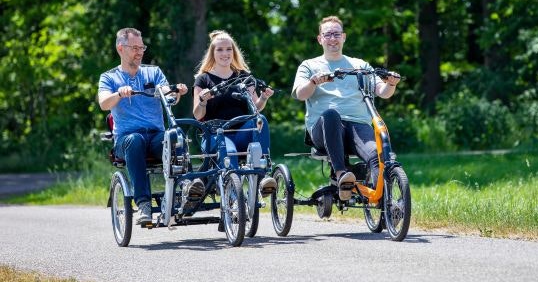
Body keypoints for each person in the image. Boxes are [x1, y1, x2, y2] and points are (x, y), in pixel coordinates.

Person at [291, 16, 401, 200]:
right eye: (328, 35)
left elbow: (382, 91)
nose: (332, 38)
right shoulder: (309, 65)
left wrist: (391, 84)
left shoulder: (360, 65)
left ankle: (385, 204)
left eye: (336, 34)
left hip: (358, 125)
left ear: (344, 37)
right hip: (324, 128)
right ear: (320, 39)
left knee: (377, 156)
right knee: (331, 114)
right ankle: (342, 175)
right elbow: (300, 94)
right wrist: (313, 82)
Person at [98, 28, 189, 225]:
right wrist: (119, 94)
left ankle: (179, 194)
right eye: (135, 48)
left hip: (155, 136)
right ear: (121, 48)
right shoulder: (109, 78)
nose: (140, 52)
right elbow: (104, 103)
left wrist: (175, 91)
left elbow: (167, 94)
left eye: (142, 47)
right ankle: (143, 204)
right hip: (126, 139)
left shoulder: (153, 72)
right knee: (135, 140)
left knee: (175, 136)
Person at [193, 30, 276, 195]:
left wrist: (264, 98)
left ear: (234, 52)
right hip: (216, 134)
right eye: (220, 50)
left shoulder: (244, 77)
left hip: (242, 132)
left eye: (228, 49)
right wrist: (203, 100)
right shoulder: (203, 79)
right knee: (229, 153)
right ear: (213, 53)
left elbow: (255, 108)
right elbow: (197, 114)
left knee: (261, 120)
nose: (225, 53)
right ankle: (233, 198)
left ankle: (263, 176)